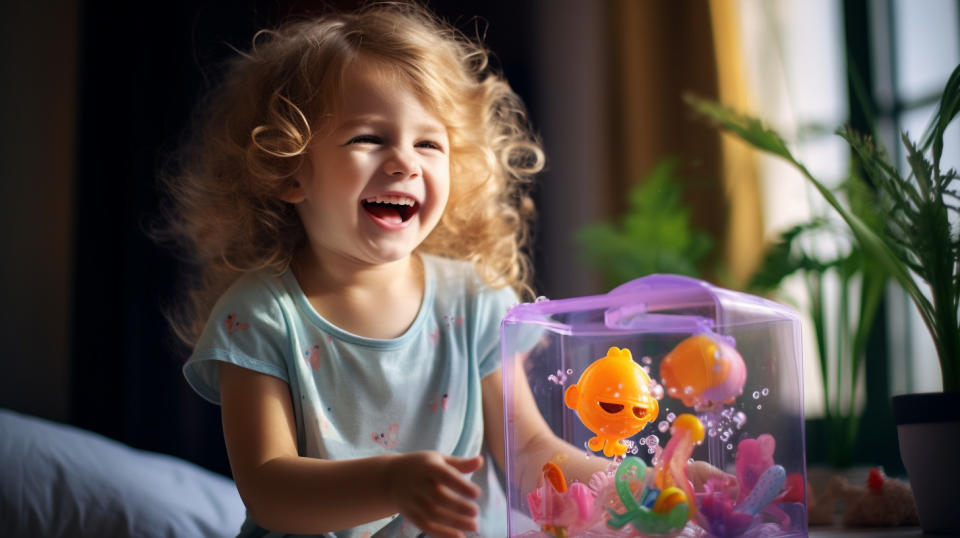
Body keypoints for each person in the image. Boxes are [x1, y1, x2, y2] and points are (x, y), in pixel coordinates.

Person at [160, 3, 600, 537]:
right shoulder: (257, 317)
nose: (404, 162)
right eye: (368, 138)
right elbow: (268, 489)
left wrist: (643, 486)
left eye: (428, 143)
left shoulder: (475, 299)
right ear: (290, 169)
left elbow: (531, 451)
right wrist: (391, 483)